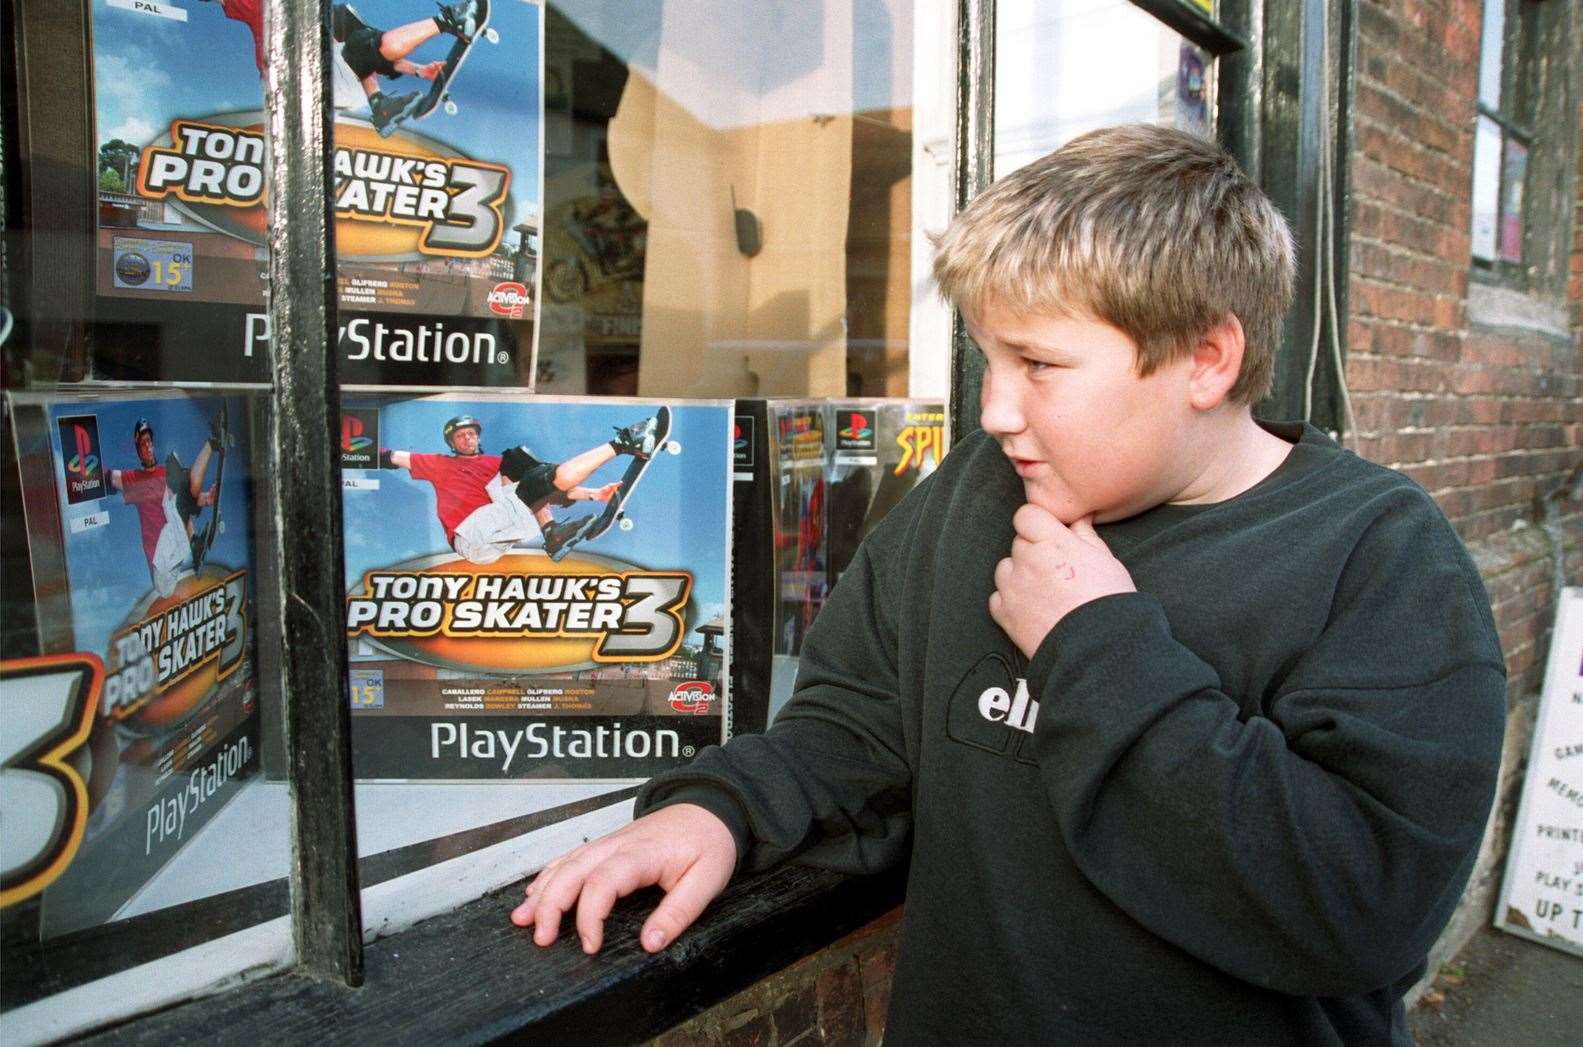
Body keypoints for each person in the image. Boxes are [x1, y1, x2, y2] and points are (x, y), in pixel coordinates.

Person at [508, 124, 1508, 1043]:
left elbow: (1362, 909)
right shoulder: (976, 498)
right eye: (985, 357)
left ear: (1204, 358)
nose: (993, 410)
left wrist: (1093, 645)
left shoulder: (1374, 556)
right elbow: (858, 736)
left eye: (1036, 363)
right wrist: (718, 810)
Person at [380, 411, 658, 564]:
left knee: (524, 466)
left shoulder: (495, 464)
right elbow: (392, 457)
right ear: (451, 443)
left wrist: (593, 494)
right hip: (470, 533)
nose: (467, 439)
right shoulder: (439, 463)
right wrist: (347, 448)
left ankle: (552, 534)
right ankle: (624, 442)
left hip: (495, 536)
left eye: (471, 434)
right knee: (521, 467)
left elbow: (551, 486)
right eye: (460, 436)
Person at [207, 0, 483, 131]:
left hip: (317, 87)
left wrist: (418, 70)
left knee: (350, 27)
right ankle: (449, 22)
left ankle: (380, 105)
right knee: (354, 34)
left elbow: (377, 51)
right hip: (305, 88)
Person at [111, 416, 222, 599]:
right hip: (160, 569)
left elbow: (189, 498)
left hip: (174, 554)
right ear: (138, 451)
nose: (147, 447)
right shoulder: (135, 479)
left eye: (148, 442)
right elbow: (110, 477)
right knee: (173, 494)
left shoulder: (166, 474)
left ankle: (212, 441)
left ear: (153, 444)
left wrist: (208, 499)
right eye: (142, 445)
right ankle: (194, 543)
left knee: (182, 490)